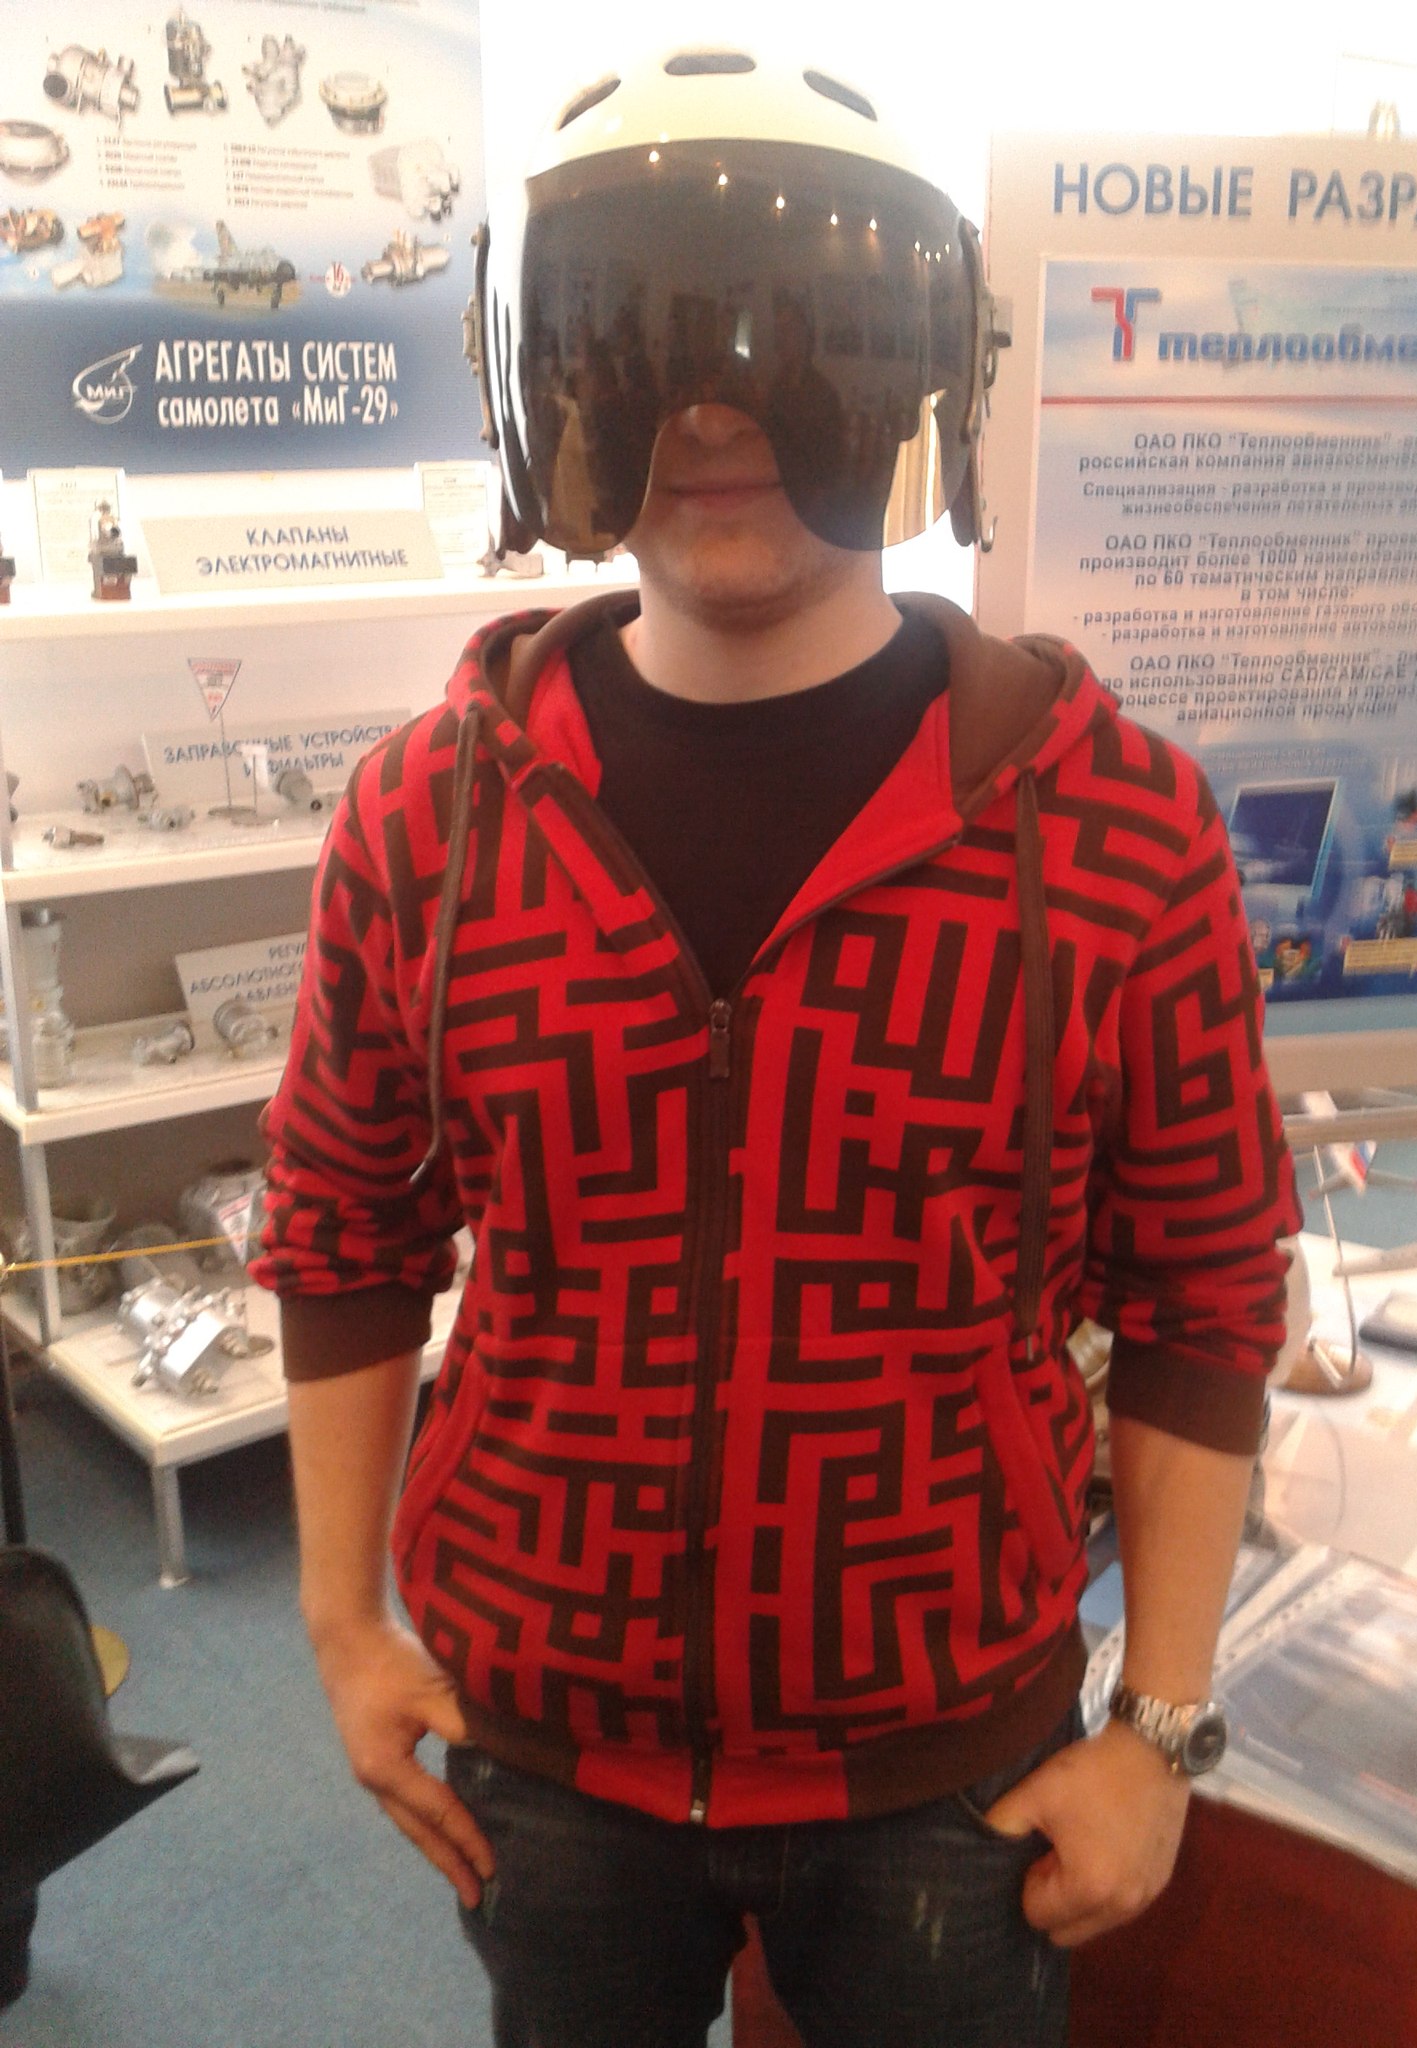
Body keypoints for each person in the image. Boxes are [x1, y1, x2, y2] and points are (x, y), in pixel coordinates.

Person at [254, 45, 1301, 2048]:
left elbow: (1203, 1283)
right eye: (640, 339)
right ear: (546, 383)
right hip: (542, 1747)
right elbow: (341, 1228)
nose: (714, 414)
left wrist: (1162, 1722)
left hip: (952, 1763)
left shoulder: (1114, 824)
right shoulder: (428, 816)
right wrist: (335, 1626)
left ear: (920, 376)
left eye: (791, 338)